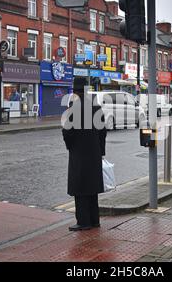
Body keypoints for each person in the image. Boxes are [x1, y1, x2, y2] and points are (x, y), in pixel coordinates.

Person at [62, 77, 107, 232]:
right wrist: (101, 150)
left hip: (79, 154)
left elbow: (67, 132)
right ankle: (95, 220)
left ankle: (83, 221)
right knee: (92, 189)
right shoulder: (96, 106)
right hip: (94, 153)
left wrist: (70, 147)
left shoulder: (73, 107)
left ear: (75, 91)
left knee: (80, 189)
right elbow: (103, 131)